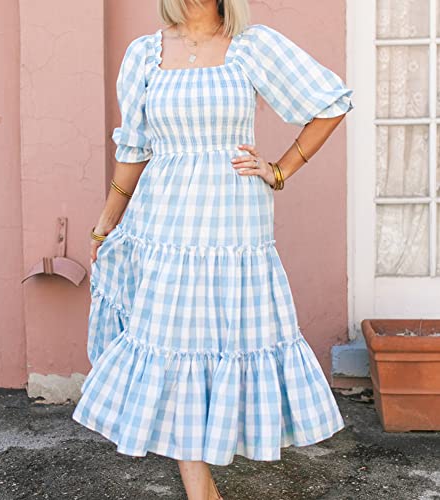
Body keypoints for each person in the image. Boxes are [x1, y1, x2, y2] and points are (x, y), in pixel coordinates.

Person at [72, 0, 354, 498]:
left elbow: (330, 103)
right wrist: (105, 222)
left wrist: (281, 169)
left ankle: (214, 457)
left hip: (233, 226)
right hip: (164, 222)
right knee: (175, 341)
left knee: (220, 340)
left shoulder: (253, 45)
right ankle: (200, 485)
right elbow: (134, 149)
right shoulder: (143, 54)